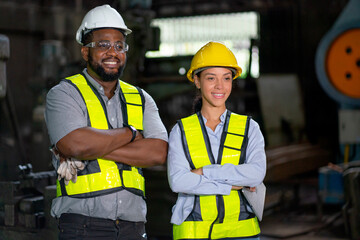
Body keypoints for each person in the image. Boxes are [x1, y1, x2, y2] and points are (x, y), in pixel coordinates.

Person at [45, 4, 168, 240]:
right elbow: (75, 145)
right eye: (103, 45)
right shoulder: (64, 94)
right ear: (85, 52)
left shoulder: (141, 99)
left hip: (133, 227)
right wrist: (131, 134)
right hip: (82, 227)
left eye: (119, 46)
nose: (112, 52)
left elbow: (158, 152)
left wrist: (95, 147)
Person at [167, 41, 266, 240]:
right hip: (194, 232)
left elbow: (255, 174)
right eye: (211, 78)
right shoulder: (181, 131)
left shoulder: (249, 128)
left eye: (226, 78)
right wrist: (230, 184)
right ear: (197, 80)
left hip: (242, 232)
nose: (220, 86)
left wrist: (205, 172)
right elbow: (178, 181)